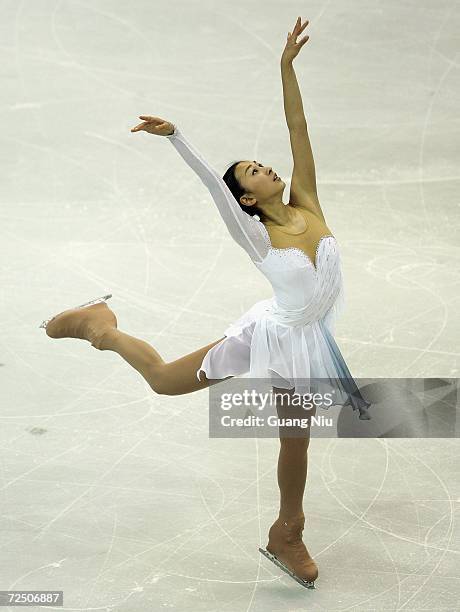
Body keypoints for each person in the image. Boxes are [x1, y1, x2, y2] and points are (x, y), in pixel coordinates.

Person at [39, 17, 371, 589]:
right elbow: (212, 188)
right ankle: (103, 327)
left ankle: (287, 531)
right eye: (253, 173)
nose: (266, 168)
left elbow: (299, 127)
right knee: (167, 382)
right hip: (271, 335)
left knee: (298, 435)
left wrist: (285, 68)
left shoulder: (308, 203)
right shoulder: (256, 235)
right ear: (247, 196)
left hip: (307, 337)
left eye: (264, 164)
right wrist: (176, 137)